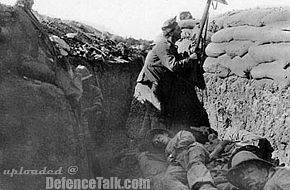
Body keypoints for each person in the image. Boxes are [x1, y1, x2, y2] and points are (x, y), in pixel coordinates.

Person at [134, 16, 209, 139]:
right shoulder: (163, 45)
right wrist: (190, 59)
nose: (181, 32)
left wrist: (189, 54)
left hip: (156, 84)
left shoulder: (170, 46)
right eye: (178, 30)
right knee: (158, 115)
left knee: (154, 117)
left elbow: (177, 60)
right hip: (149, 85)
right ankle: (155, 149)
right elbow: (173, 66)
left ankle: (144, 145)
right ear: (172, 32)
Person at [146, 128, 218, 190]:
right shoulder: (166, 153)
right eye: (156, 142)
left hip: (191, 149)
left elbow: (189, 139)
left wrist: (174, 152)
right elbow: (171, 161)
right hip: (180, 162)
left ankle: (205, 187)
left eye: (158, 137)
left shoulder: (180, 134)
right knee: (168, 178)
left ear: (165, 134)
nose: (158, 141)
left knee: (194, 164)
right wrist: (170, 160)